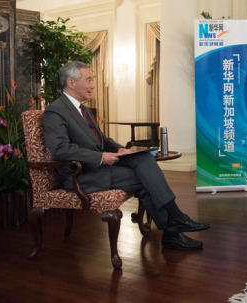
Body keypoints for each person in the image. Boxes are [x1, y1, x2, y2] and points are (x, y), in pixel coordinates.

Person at [43, 61, 209, 251]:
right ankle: (174, 226)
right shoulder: (55, 110)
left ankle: (174, 224)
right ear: (71, 82)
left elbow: (102, 139)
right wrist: (100, 157)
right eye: (88, 80)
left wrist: (120, 149)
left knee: (144, 158)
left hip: (98, 169)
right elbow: (60, 149)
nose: (93, 85)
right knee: (145, 178)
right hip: (80, 176)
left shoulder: (83, 110)